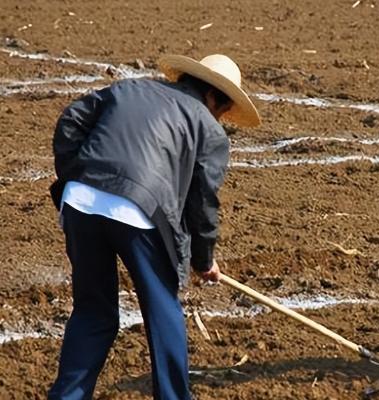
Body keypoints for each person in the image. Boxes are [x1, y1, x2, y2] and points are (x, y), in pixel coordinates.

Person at [48, 53, 260, 399]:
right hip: (138, 210)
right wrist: (203, 260)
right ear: (214, 98)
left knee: (93, 311)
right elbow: (202, 203)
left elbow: (71, 120)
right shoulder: (209, 129)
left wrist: (78, 175)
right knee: (164, 313)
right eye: (223, 110)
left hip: (80, 202)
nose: (220, 118)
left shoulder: (131, 89)